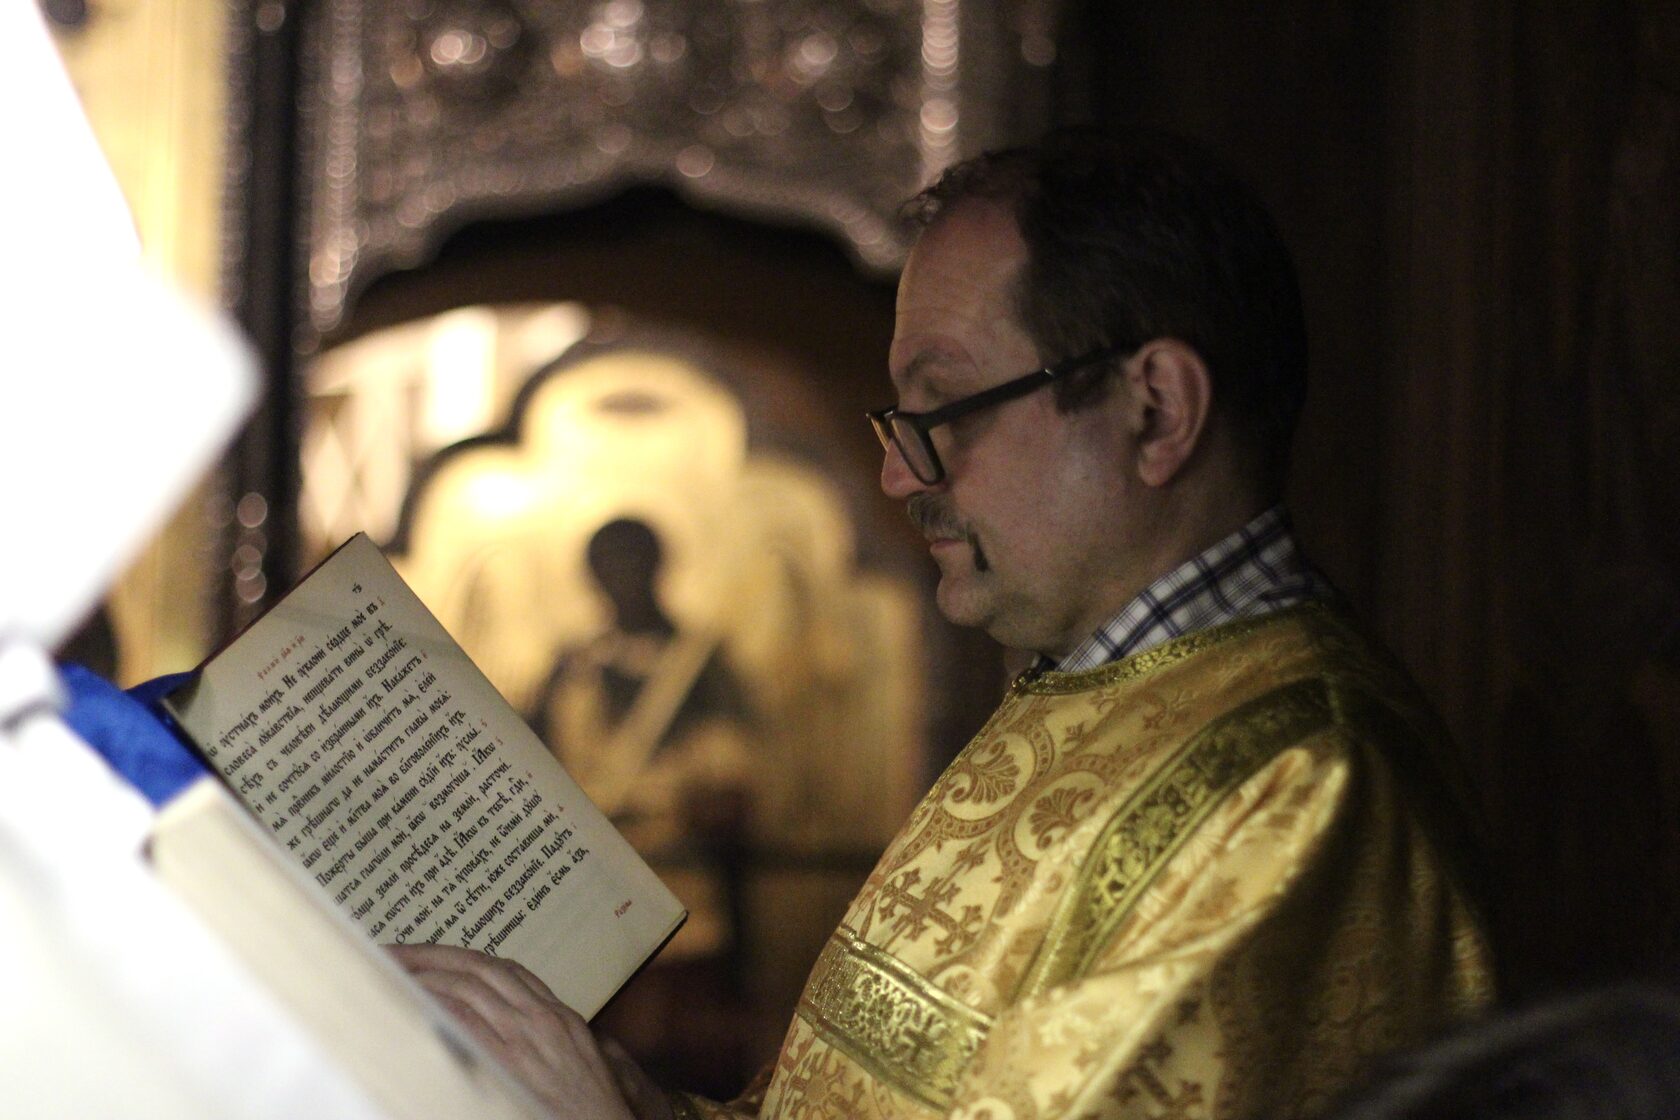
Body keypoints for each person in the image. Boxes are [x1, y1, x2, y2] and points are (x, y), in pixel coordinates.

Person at [391, 128, 1496, 1119]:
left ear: (1155, 408)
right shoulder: (1091, 693)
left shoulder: (1297, 786)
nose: (898, 472)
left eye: (945, 408)